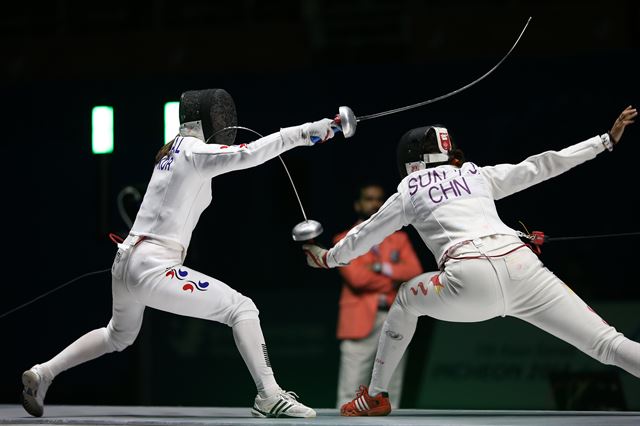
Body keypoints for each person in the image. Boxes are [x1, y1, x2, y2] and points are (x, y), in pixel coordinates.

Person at [303, 106, 640, 416]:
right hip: (524, 269)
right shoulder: (475, 174)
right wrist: (603, 142)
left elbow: (365, 234)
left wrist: (327, 258)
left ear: (412, 160)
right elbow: (538, 166)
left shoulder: (410, 188)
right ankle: (375, 395)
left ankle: (376, 396)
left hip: (469, 282)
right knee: (608, 344)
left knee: (406, 297)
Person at [21, 88, 336, 418]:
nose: (226, 122)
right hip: (153, 266)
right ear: (207, 119)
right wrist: (308, 131)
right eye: (221, 115)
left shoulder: (172, 152)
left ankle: (43, 373)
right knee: (242, 308)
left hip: (126, 261)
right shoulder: (194, 152)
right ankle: (269, 395)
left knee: (118, 335)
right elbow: (251, 153)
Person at [333, 182, 422, 409]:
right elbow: (357, 279)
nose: (374, 203)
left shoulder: (399, 239)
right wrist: (393, 276)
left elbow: (414, 272)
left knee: (390, 386)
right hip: (360, 319)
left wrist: (380, 268)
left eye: (379, 199)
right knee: (350, 388)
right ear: (358, 204)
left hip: (394, 315)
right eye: (369, 198)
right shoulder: (342, 240)